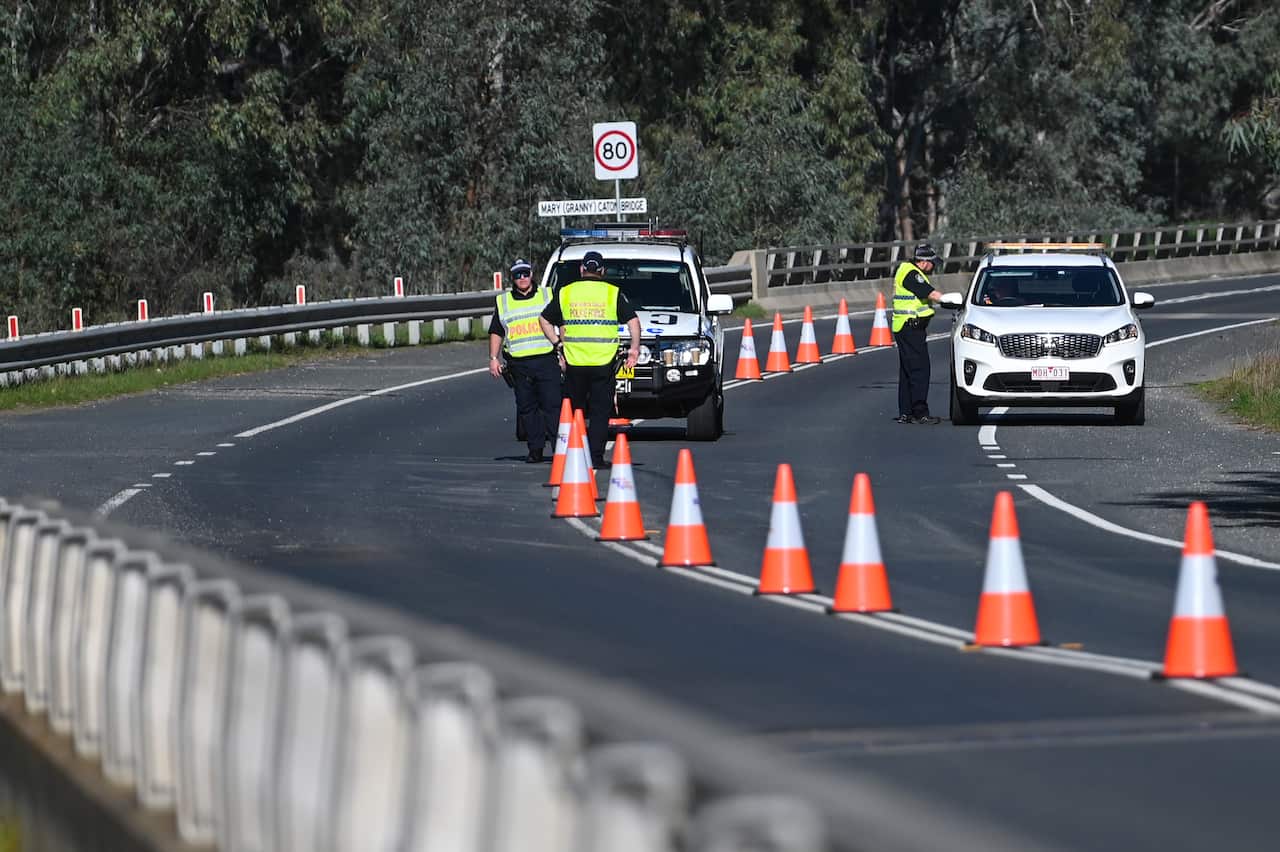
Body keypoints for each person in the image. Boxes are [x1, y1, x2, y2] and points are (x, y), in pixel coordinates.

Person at [539, 250, 641, 467]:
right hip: (603, 362)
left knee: (574, 411)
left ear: (582, 269)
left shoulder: (567, 292)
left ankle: (571, 455)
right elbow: (633, 321)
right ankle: (595, 457)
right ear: (602, 271)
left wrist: (557, 344)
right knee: (599, 413)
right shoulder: (612, 293)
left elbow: (544, 319)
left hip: (574, 362)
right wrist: (634, 349)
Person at [489, 258, 562, 463]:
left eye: (526, 274)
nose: (523, 278)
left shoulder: (547, 295)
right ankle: (535, 450)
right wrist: (493, 358)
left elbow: (561, 323)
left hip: (546, 360)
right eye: (518, 275)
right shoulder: (503, 302)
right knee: (527, 408)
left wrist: (564, 351)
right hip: (519, 364)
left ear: (532, 274)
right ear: (512, 278)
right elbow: (496, 331)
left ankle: (560, 450)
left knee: (552, 406)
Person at [892, 243, 944, 424]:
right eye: (932, 263)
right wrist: (949, 299)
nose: (934, 267)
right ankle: (920, 412)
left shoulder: (906, 270)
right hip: (910, 327)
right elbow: (929, 293)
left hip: (905, 327)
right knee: (920, 370)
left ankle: (906, 412)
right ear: (923, 262)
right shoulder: (912, 273)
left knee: (907, 370)